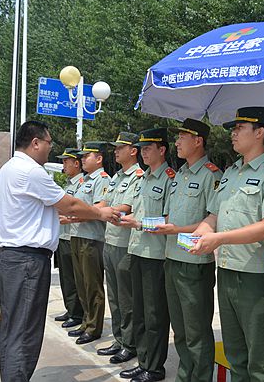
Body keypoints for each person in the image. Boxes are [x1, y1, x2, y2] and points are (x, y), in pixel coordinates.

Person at [0, 121, 119, 382]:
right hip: (26, 261)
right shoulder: (30, 171)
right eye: (49, 142)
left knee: (12, 328)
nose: (51, 149)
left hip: (13, 258)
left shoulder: (9, 167)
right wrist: (101, 212)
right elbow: (70, 204)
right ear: (36, 142)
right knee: (25, 331)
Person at [191, 107, 264, 382]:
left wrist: (219, 238)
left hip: (256, 277)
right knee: (235, 351)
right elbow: (213, 215)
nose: (233, 134)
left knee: (259, 358)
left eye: (239, 129)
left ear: (259, 133)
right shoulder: (230, 173)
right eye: (233, 129)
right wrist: (202, 232)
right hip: (227, 270)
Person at [150, 119, 222, 382]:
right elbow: (170, 215)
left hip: (195, 263)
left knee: (196, 330)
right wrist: (165, 227)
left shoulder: (212, 176)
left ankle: (200, 376)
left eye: (182, 137)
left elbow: (212, 219)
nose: (177, 142)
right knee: (179, 329)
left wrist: (176, 229)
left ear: (198, 141)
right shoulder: (179, 175)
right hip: (172, 258)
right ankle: (185, 374)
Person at [118, 128, 175, 382]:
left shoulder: (169, 179)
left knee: (154, 314)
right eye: (141, 149)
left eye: (148, 148)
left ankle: (155, 367)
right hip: (137, 250)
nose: (143, 153)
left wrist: (139, 223)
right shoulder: (144, 178)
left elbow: (170, 218)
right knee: (139, 310)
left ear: (162, 150)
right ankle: (143, 361)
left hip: (155, 254)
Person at [96, 132, 143, 364]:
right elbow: (104, 203)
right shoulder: (115, 177)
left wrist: (105, 211)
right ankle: (119, 338)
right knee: (114, 296)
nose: (115, 151)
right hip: (110, 241)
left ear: (133, 151)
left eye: (120, 147)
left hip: (125, 244)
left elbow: (127, 206)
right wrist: (99, 210)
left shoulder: (138, 177)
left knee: (126, 297)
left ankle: (130, 343)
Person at [66, 141, 111, 345]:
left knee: (92, 284)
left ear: (99, 159)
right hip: (76, 234)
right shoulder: (84, 180)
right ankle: (85, 321)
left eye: (87, 156)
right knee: (81, 283)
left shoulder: (102, 180)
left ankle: (93, 327)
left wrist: (75, 215)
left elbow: (100, 207)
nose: (82, 159)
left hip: (92, 238)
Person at [54, 148, 84, 329]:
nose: (64, 164)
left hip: (73, 234)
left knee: (75, 277)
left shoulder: (82, 183)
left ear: (76, 163)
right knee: (65, 276)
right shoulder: (68, 185)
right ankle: (70, 308)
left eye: (66, 161)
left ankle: (77, 313)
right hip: (63, 235)